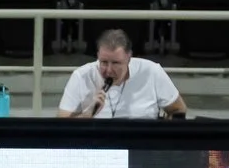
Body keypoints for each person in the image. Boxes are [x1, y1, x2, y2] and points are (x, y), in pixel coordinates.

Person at [58, 28, 187, 118]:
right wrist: (88, 114)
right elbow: (60, 128)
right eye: (103, 62)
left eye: (115, 63)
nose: (108, 70)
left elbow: (179, 110)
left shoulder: (151, 71)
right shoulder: (81, 76)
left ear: (129, 57)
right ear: (97, 55)